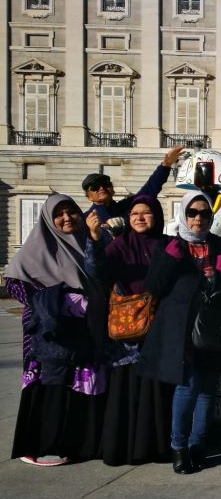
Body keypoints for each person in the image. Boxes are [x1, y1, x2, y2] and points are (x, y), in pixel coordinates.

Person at [142, 191, 221, 474]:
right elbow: (154, 286)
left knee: (208, 387)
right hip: (182, 327)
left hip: (213, 326)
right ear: (184, 214)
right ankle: (179, 447)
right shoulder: (170, 245)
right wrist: (169, 260)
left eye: (205, 213)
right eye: (192, 213)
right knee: (188, 386)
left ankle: (198, 445)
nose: (199, 218)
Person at [6, 195, 107, 466]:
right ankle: (40, 444)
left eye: (71, 212)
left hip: (85, 328)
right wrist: (56, 300)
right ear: (49, 220)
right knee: (49, 387)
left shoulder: (89, 241)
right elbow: (14, 284)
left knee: (80, 385)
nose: (66, 218)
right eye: (59, 214)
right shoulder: (36, 247)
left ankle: (76, 443)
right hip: (48, 332)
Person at [85, 195, 174, 466]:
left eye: (146, 212)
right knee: (125, 387)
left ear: (157, 216)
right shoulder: (120, 244)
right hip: (127, 330)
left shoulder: (167, 244)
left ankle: (154, 448)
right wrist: (94, 238)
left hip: (158, 327)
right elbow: (97, 271)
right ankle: (123, 449)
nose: (139, 217)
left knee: (154, 389)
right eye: (134, 213)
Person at [82, 146, 184, 237]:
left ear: (112, 189)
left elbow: (150, 188)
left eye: (106, 184)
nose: (101, 188)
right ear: (88, 196)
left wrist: (166, 165)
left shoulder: (127, 206)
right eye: (95, 187)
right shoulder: (85, 219)